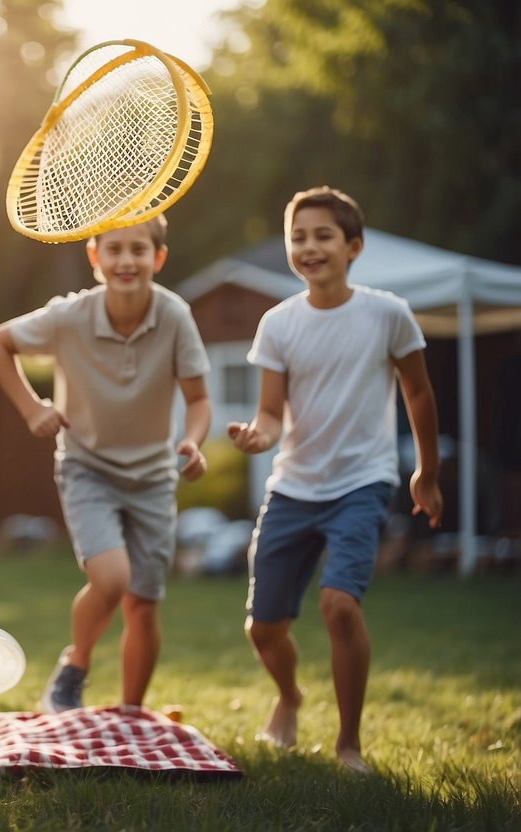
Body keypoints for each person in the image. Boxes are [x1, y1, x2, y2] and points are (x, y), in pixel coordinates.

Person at [226, 185, 443, 774]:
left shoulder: (387, 313)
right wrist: (257, 436)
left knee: (339, 605)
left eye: (323, 236)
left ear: (353, 247)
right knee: (264, 629)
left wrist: (426, 469)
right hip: (293, 486)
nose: (309, 246)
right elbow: (271, 413)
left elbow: (417, 390)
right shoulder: (277, 323)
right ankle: (290, 697)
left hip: (362, 482)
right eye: (299, 237)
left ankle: (349, 744)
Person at [0, 215, 212, 714]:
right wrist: (33, 408)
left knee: (143, 605)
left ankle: (130, 714)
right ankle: (76, 664)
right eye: (114, 250)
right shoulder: (69, 316)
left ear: (159, 258)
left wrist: (192, 442)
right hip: (88, 468)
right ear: (95, 257)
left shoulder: (174, 316)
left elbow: (198, 400)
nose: (127, 261)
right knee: (111, 579)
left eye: (138, 250)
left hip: (153, 477)